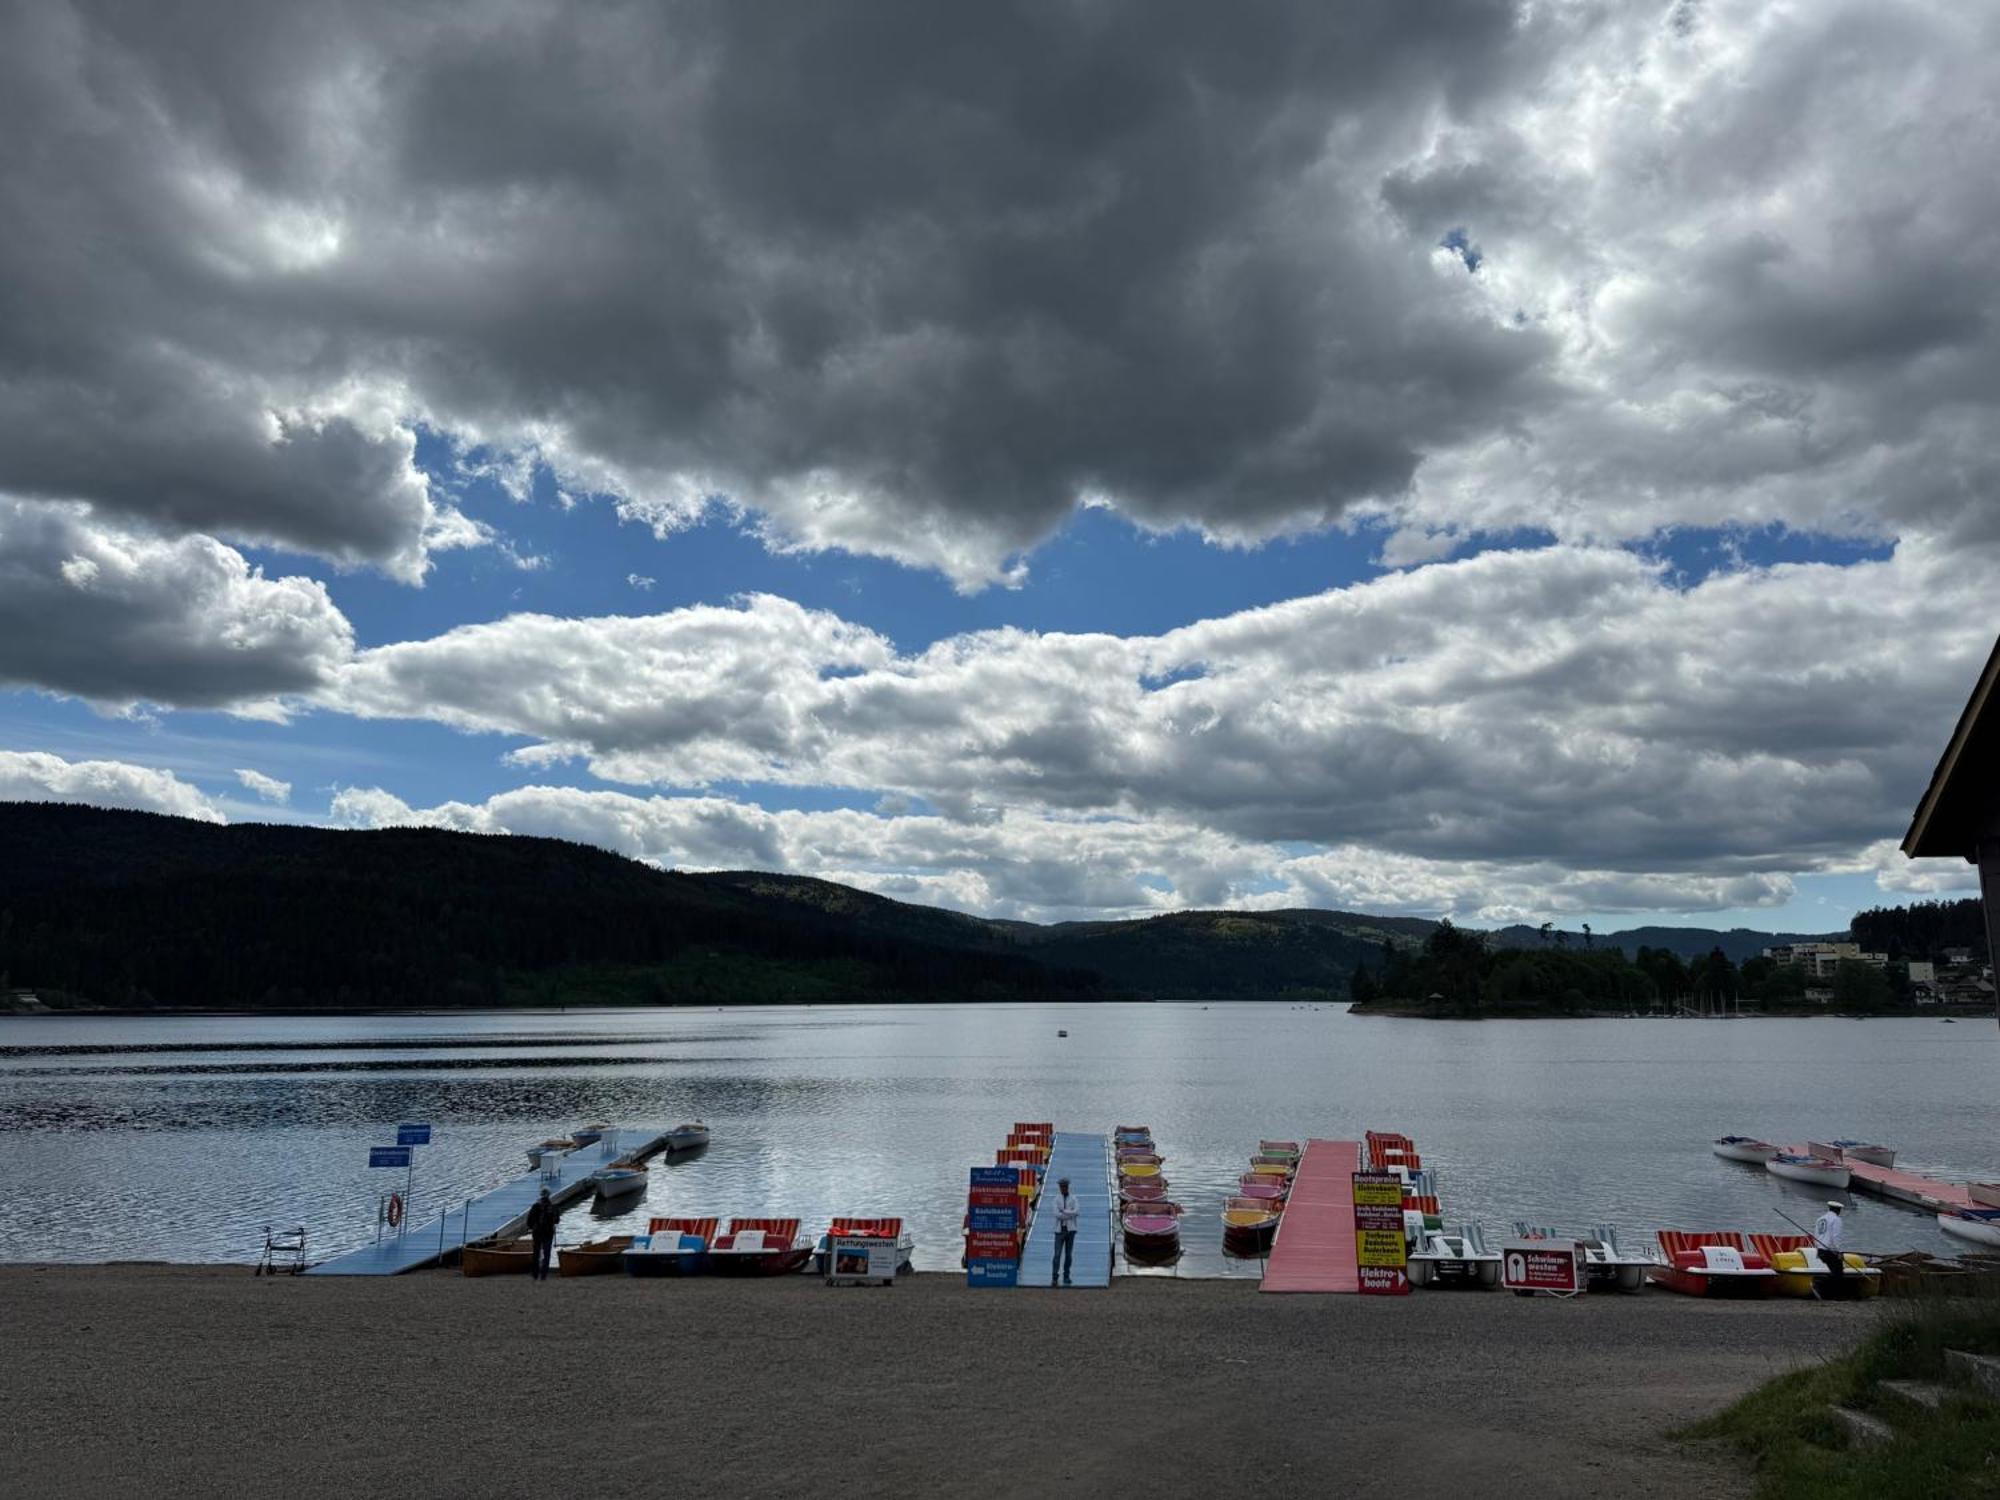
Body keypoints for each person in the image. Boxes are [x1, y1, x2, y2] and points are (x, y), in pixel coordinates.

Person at [1050, 1176, 1080, 1287]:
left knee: (1068, 1255)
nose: (1063, 1188)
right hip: (1059, 1231)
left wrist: (1063, 1211)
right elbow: (1056, 1214)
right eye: (1062, 1186)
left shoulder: (1074, 1198)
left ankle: (1066, 1276)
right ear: (1059, 1187)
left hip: (1071, 1230)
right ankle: (1054, 1277)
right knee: (1057, 1255)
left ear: (1068, 1187)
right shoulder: (1056, 1199)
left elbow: (1076, 1211)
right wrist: (1069, 1213)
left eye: (1065, 1186)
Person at [526, 1188, 558, 1281]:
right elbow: (557, 1220)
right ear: (549, 1195)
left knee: (536, 1253)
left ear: (541, 1195)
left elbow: (529, 1220)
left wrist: (531, 1227)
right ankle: (544, 1275)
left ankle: (535, 1274)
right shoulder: (553, 1206)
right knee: (547, 1253)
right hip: (548, 1233)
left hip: (537, 1233)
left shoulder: (535, 1206)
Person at [1813, 1200, 1846, 1287]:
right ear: (1838, 1210)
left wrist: (1817, 1247)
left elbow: (1816, 1235)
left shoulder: (1820, 1219)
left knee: (1832, 1271)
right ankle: (1822, 1287)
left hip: (1820, 1250)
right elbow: (1836, 1236)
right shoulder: (1836, 1219)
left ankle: (1821, 1285)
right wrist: (1839, 1251)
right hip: (1831, 1251)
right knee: (1838, 1273)